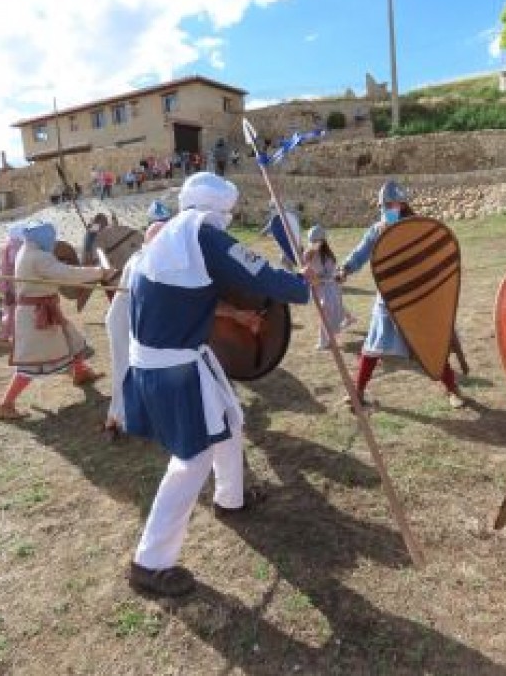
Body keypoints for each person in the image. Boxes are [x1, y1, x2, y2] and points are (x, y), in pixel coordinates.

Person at [124, 172, 313, 597]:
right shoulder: (202, 237)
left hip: (172, 360)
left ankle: (232, 498)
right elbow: (261, 274)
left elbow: (194, 300)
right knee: (191, 459)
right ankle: (148, 564)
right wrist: (299, 282)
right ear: (218, 209)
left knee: (230, 421)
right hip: (172, 369)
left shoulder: (171, 238)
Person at [337, 180, 463, 410]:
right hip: (388, 298)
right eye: (384, 205)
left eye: (391, 204)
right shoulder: (377, 230)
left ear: (402, 204)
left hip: (418, 297)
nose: (387, 208)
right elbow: (361, 253)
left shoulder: (417, 227)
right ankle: (357, 392)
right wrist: (345, 269)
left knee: (430, 346)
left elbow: (432, 258)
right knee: (373, 346)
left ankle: (451, 389)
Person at [0, 221, 107, 421]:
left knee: (72, 340)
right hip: (35, 316)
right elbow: (67, 274)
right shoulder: (38, 256)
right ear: (41, 237)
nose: (52, 240)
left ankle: (81, 373)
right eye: (50, 236)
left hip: (44, 309)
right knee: (33, 363)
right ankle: (6, 404)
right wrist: (99, 271)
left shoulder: (27, 250)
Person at [103, 200, 172, 438]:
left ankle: (130, 415)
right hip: (124, 322)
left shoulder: (147, 258)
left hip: (134, 319)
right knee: (124, 369)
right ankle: (115, 419)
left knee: (138, 368)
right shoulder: (142, 261)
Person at [303, 224, 356, 350]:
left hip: (329, 288)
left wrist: (319, 279)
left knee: (326, 311)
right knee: (334, 307)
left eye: (316, 241)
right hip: (317, 288)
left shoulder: (327, 257)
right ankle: (349, 318)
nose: (314, 244)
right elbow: (305, 267)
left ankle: (324, 340)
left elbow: (331, 277)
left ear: (322, 241)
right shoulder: (307, 253)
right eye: (312, 242)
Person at [0, 221, 26, 342]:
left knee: (9, 310)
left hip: (8, 281)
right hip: (12, 282)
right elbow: (7, 268)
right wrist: (7, 288)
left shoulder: (9, 244)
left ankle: (6, 335)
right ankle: (14, 336)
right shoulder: (16, 246)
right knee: (15, 310)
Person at [260, 201, 302, 272]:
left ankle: (290, 277)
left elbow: (263, 233)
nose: (272, 210)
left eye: (273, 208)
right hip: (298, 247)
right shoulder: (291, 215)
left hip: (291, 247)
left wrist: (271, 234)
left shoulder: (280, 218)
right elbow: (264, 233)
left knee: (284, 260)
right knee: (285, 261)